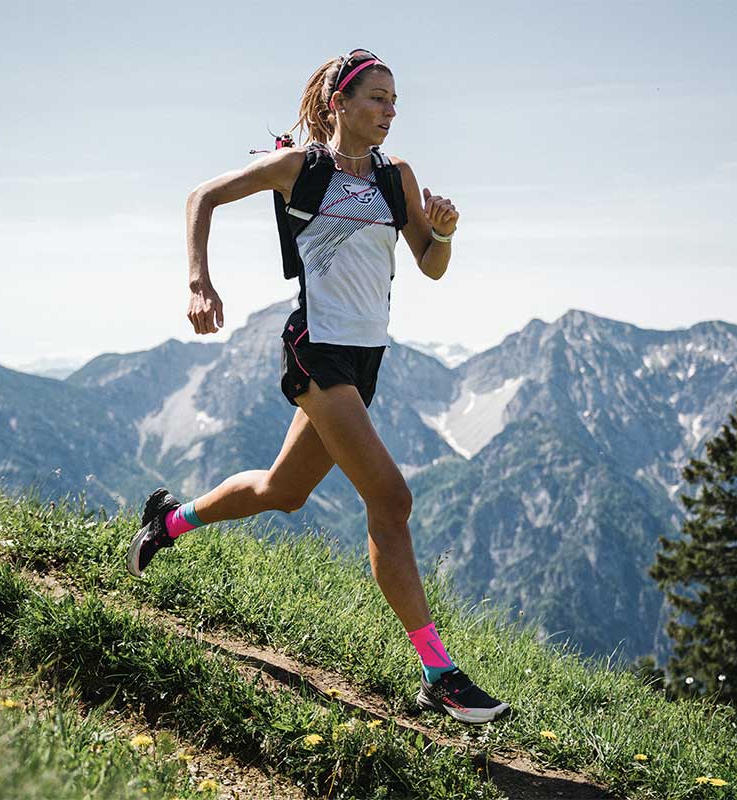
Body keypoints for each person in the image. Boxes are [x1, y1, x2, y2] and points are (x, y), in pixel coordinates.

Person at [125, 50, 509, 724]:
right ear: (339, 102)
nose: (390, 112)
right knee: (392, 500)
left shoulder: (397, 178)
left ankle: (168, 520)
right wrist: (197, 280)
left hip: (364, 363)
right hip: (315, 352)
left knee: (285, 491)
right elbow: (202, 196)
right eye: (378, 99)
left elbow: (431, 265)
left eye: (395, 102)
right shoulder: (302, 169)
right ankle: (439, 673)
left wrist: (443, 232)